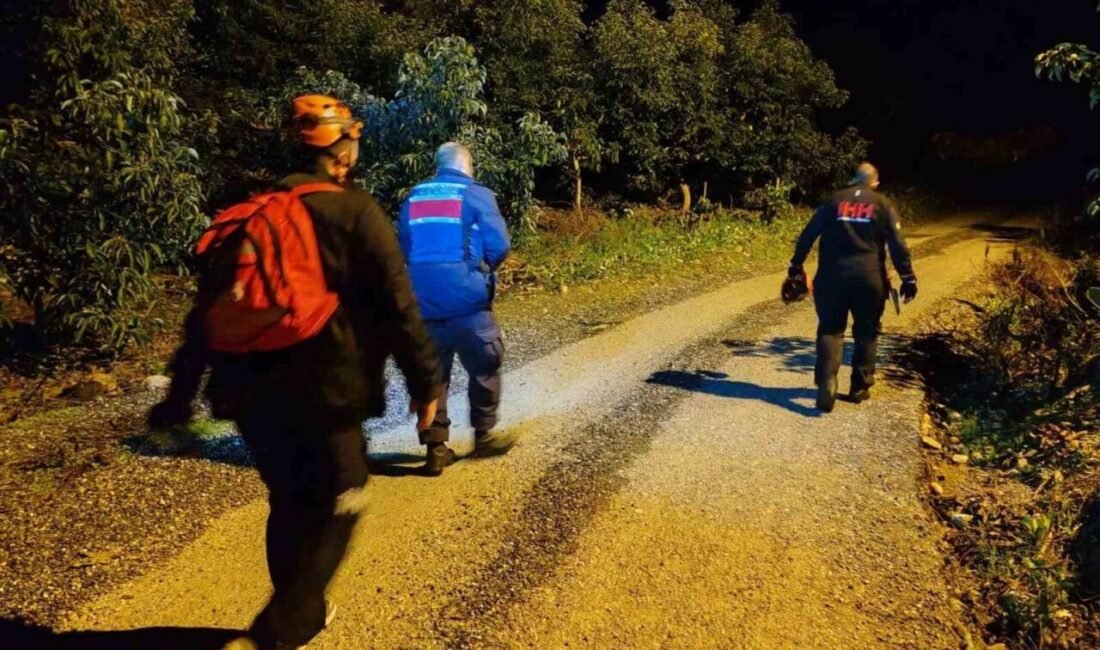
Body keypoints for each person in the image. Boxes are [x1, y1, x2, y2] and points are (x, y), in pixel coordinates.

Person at [148, 95, 442, 649]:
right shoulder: (354, 212)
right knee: (344, 495)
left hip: (248, 393)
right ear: (342, 152)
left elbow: (202, 316)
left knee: (288, 500)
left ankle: (301, 615)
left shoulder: (249, 216)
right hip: (324, 388)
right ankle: (278, 630)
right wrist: (426, 383)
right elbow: (398, 305)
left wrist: (179, 396)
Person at [397, 142, 514, 477]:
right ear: (467, 165)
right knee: (485, 363)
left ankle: (435, 449)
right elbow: (499, 245)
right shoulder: (476, 194)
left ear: (438, 165)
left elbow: (404, 244)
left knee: (434, 373)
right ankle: (484, 435)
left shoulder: (414, 196)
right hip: (467, 301)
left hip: (422, 302)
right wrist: (481, 271)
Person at [787, 162, 918, 413]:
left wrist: (796, 265)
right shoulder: (883, 204)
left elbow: (808, 234)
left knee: (830, 329)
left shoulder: (833, 201)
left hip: (831, 278)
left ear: (853, 180)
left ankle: (827, 380)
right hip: (869, 278)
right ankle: (860, 387)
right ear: (875, 182)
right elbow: (898, 245)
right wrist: (908, 278)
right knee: (867, 331)